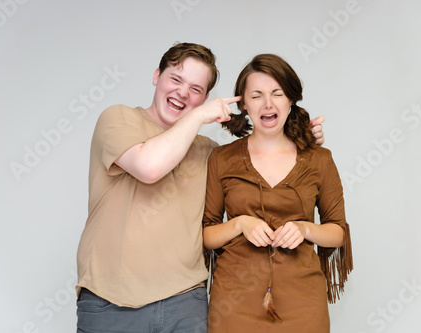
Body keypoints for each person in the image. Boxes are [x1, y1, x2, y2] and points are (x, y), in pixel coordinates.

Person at [75, 43, 325, 333]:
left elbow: (259, 163)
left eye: (195, 89)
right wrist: (198, 116)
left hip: (185, 303)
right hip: (111, 302)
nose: (182, 93)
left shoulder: (210, 152)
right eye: (176, 79)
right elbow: (149, 168)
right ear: (157, 76)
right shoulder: (118, 119)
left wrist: (295, 141)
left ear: (205, 97)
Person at [203, 54, 353, 332]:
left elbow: (337, 232)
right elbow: (207, 234)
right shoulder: (221, 158)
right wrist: (240, 224)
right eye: (257, 95)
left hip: (303, 301)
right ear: (243, 103)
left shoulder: (320, 159)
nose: (268, 104)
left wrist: (305, 228)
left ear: (291, 99)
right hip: (234, 302)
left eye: (277, 93)